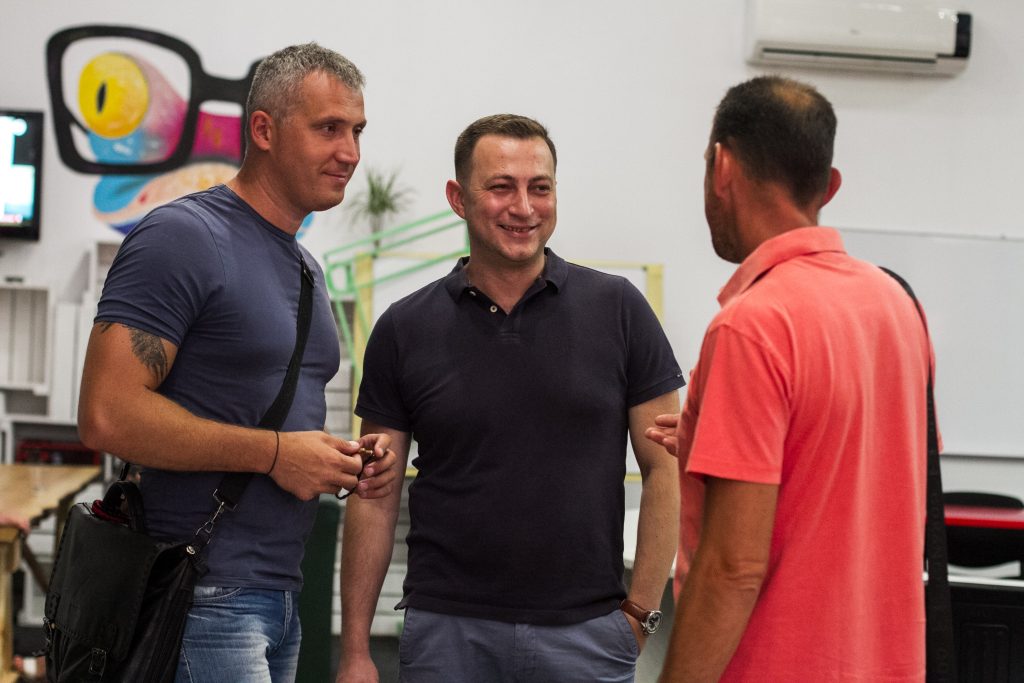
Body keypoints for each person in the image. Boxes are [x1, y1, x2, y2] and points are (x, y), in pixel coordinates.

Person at [77, 43, 399, 682]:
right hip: (200, 593)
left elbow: (256, 414)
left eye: (357, 131)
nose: (350, 153)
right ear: (264, 130)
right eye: (328, 128)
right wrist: (277, 454)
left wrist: (338, 458)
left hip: (278, 596)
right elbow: (106, 415)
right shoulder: (183, 237)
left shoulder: (305, 266)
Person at [337, 113, 685, 682]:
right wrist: (354, 650)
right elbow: (374, 495)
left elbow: (665, 467)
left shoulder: (620, 310)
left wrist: (640, 614)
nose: (523, 207)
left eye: (539, 188)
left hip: (587, 637)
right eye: (501, 187)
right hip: (447, 638)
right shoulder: (405, 328)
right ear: (458, 198)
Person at [650, 75, 935, 682]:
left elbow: (733, 569)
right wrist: (712, 439)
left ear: (722, 166)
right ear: (829, 186)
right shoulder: (898, 307)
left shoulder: (753, 325)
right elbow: (863, 471)